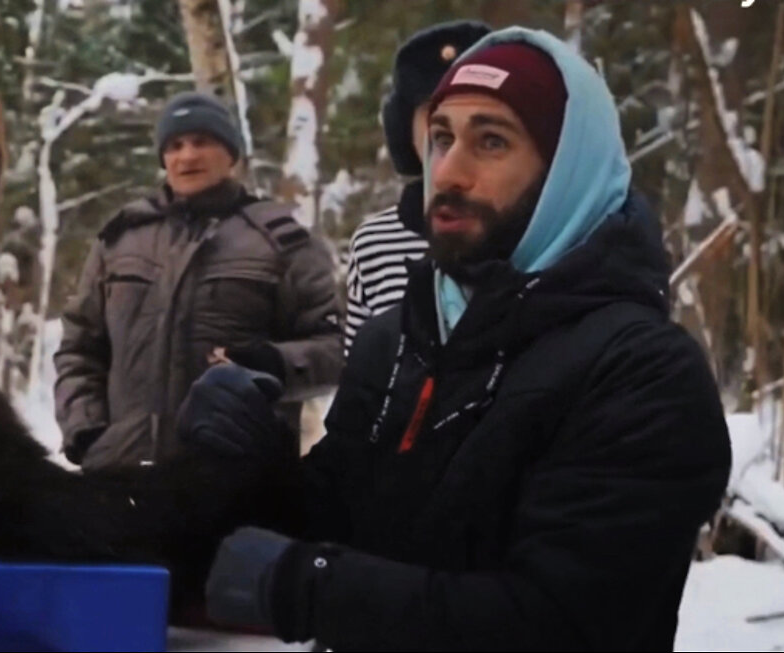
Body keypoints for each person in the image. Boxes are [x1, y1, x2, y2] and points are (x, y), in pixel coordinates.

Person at [178, 28, 732, 650]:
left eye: (491, 141)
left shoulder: (642, 372)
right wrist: (249, 461)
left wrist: (309, 589)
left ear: (565, 171)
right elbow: (341, 517)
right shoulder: (401, 336)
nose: (450, 172)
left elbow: (565, 622)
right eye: (441, 138)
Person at [54, 91, 343, 472]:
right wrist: (87, 431)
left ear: (231, 155)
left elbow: (336, 349)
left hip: (241, 482)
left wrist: (273, 365)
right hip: (123, 478)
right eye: (175, 146)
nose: (187, 156)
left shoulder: (281, 242)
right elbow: (79, 347)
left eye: (202, 142)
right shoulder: (121, 239)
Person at [344, 20, 490, 355]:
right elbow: (358, 373)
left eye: (476, 114)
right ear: (402, 127)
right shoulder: (374, 243)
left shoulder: (533, 227)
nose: (453, 134)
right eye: (434, 114)